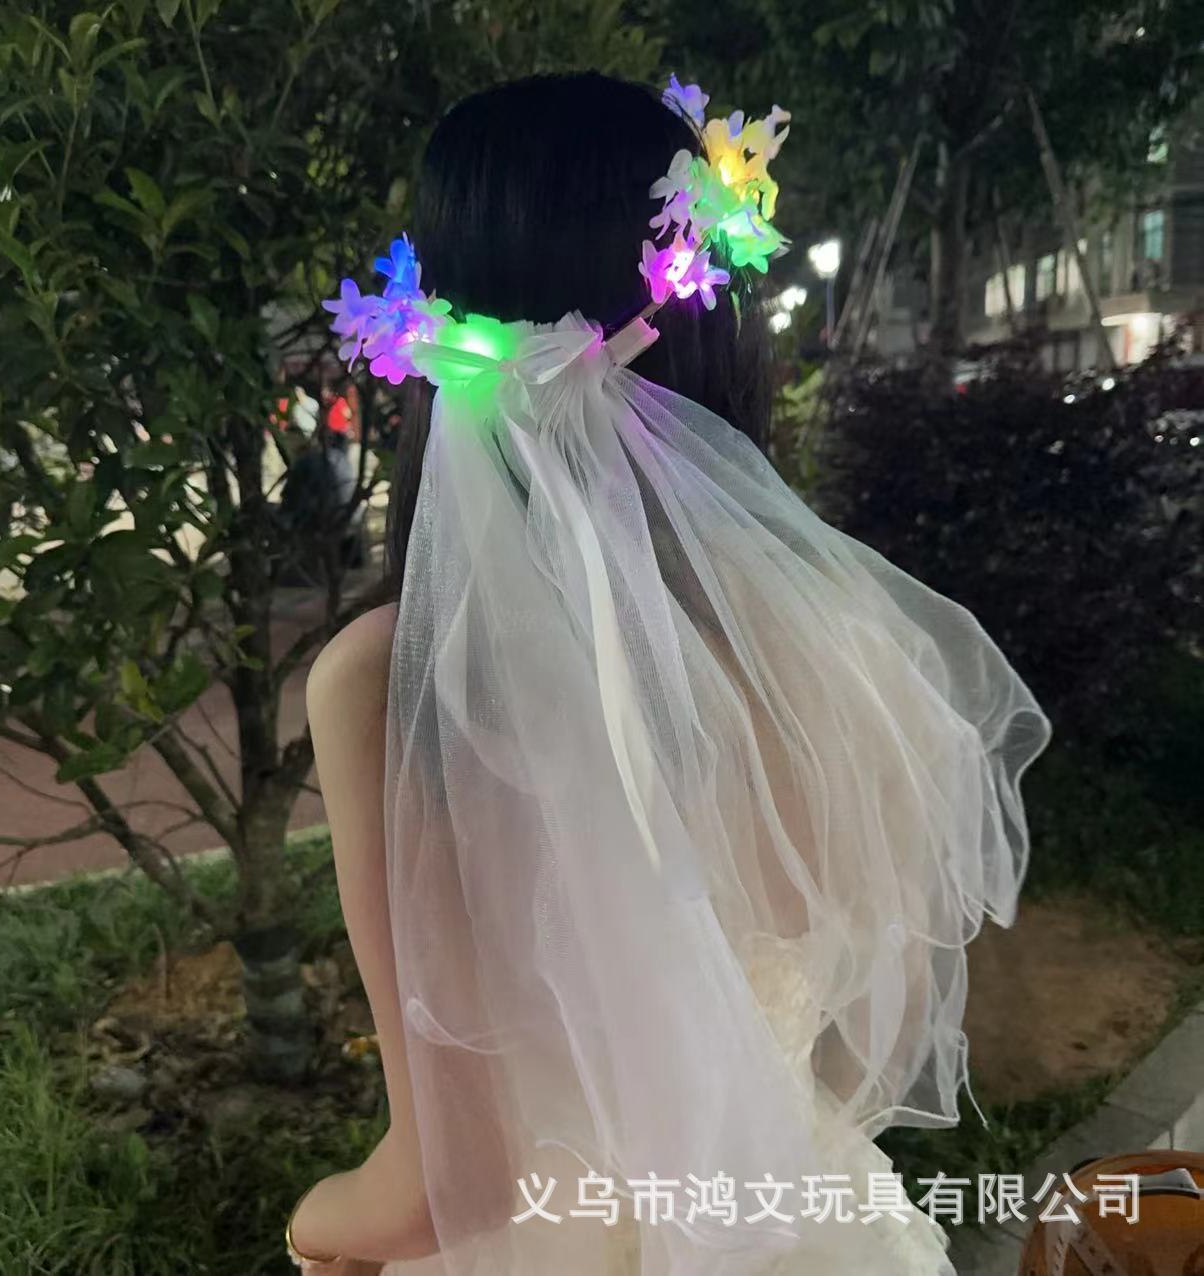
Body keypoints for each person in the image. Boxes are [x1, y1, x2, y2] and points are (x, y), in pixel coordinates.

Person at [289, 72, 1051, 1275]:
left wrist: (307, 1226)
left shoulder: (386, 682)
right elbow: (860, 1048)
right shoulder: (842, 638)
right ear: (712, 320)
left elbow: (445, 1184)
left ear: (431, 328)